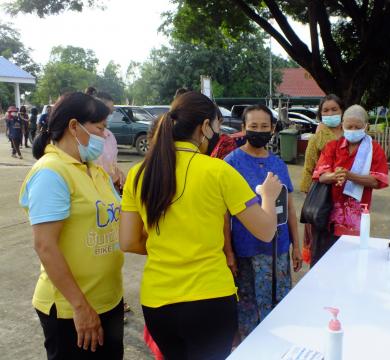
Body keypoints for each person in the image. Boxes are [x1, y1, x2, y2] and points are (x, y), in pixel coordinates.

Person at [120, 91, 282, 360]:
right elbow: (265, 231)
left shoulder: (139, 172)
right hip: (210, 300)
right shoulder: (218, 171)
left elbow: (127, 241)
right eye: (216, 127)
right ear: (204, 127)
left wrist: (170, 247)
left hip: (158, 302)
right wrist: (267, 196)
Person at [19, 92, 124, 359]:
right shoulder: (51, 173)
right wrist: (80, 307)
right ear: (74, 126)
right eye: (100, 128)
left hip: (108, 299)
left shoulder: (95, 169)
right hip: (72, 308)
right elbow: (45, 245)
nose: (105, 136)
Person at [223, 104, 302, 340]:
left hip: (278, 248)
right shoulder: (231, 163)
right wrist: (228, 251)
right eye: (254, 126)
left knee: (280, 301)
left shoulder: (277, 163)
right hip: (247, 250)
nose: (259, 131)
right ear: (244, 128)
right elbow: (224, 215)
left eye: (264, 126)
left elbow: (288, 206)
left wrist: (296, 245)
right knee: (249, 305)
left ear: (273, 129)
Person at [312, 104, 389, 253]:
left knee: (351, 258)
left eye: (357, 127)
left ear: (365, 127)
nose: (353, 130)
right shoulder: (332, 147)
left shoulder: (374, 149)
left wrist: (349, 176)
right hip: (328, 215)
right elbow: (320, 176)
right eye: (349, 126)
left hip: (356, 218)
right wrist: (335, 176)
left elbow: (377, 181)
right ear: (342, 126)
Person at [300, 94, 344, 266]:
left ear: (342, 111)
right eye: (326, 110)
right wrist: (310, 196)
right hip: (324, 197)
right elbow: (308, 169)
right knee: (322, 245)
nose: (330, 113)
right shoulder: (316, 139)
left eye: (334, 109)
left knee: (344, 246)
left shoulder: (352, 134)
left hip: (348, 198)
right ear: (320, 115)